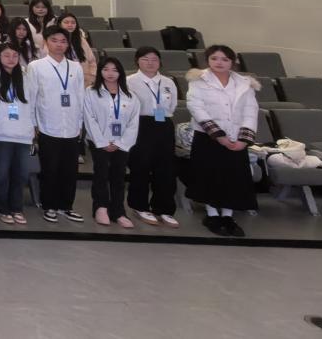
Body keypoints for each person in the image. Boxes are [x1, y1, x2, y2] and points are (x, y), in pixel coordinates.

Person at [185, 45, 260, 237]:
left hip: (236, 138)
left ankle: (228, 216)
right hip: (208, 137)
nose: (219, 63)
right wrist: (219, 136)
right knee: (209, 176)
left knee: (232, 178)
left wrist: (244, 139)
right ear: (208, 60)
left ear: (232, 62)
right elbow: (196, 108)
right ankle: (212, 215)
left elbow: (251, 111)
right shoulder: (198, 80)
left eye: (225, 59)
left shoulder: (244, 83)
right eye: (214, 58)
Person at [31, 27, 85, 223]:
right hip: (48, 126)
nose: (59, 44)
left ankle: (66, 206)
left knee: (70, 171)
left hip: (71, 127)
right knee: (50, 169)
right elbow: (32, 97)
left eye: (63, 41)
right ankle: (49, 205)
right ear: (46, 42)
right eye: (54, 40)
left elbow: (80, 96)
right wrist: (33, 125)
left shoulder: (75, 67)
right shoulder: (36, 66)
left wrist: (80, 123)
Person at [127, 46, 180, 227]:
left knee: (166, 169)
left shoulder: (168, 82)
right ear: (137, 61)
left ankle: (164, 209)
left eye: (154, 59)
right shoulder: (129, 81)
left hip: (163, 124)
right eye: (145, 59)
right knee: (140, 166)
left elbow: (172, 105)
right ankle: (139, 206)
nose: (150, 63)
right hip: (140, 124)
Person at [84, 57, 140, 228]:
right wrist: (102, 142)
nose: (110, 73)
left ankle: (118, 211)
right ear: (100, 71)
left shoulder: (130, 96)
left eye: (114, 70)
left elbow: (133, 123)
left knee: (118, 176)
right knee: (101, 174)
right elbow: (89, 118)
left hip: (121, 143)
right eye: (106, 69)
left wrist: (121, 143)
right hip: (98, 141)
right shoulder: (91, 92)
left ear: (120, 73)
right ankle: (100, 208)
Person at [0, 43, 35, 225]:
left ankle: (16, 207)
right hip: (1, 134)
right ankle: (2, 208)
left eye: (15, 55)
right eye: (6, 55)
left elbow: (33, 104)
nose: (11, 59)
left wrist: (34, 127)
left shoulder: (26, 78)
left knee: (21, 175)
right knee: (1, 174)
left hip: (24, 134)